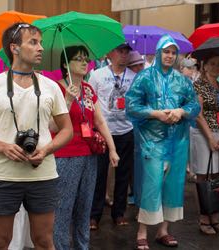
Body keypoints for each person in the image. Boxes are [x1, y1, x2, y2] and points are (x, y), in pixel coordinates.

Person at [0, 22, 73, 250]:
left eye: (40, 42)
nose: (40, 47)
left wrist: (46, 149)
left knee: (43, 241)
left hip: (42, 175)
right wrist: (2, 146)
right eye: (33, 42)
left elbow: (67, 129)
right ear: (15, 48)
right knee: (0, 242)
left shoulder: (50, 87)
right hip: (3, 175)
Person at [126, 34, 200, 249]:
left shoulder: (182, 80)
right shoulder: (145, 77)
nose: (169, 56)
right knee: (151, 185)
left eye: (173, 52)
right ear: (158, 53)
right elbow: (131, 105)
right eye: (166, 52)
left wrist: (181, 111)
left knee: (173, 185)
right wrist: (154, 113)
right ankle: (142, 232)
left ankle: (163, 231)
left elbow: (194, 106)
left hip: (177, 141)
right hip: (152, 141)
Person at [52, 45, 119, 250]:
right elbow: (50, 126)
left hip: (90, 154)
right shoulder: (56, 88)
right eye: (78, 59)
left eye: (86, 58)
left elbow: (100, 122)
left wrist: (112, 148)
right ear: (65, 64)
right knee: (63, 208)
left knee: (85, 206)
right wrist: (68, 100)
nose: (84, 62)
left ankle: (83, 246)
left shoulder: (88, 89)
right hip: (66, 155)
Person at [89, 43, 136, 230]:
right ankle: (94, 214)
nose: (124, 55)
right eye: (120, 51)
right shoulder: (97, 75)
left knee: (123, 175)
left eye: (127, 52)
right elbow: (90, 100)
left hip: (126, 130)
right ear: (110, 53)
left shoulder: (133, 77)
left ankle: (119, 213)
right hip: (103, 131)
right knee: (99, 174)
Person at [190, 53, 219, 235]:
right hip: (202, 134)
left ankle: (215, 218)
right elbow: (198, 114)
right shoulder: (198, 86)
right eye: (212, 64)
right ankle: (203, 218)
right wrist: (209, 137)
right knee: (203, 175)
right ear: (204, 66)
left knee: (217, 175)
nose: (216, 67)